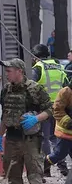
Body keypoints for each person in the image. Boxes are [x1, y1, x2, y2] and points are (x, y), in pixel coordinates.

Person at [0, 58, 53, 184]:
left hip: (30, 140)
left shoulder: (34, 89)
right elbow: (5, 115)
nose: (7, 74)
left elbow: (50, 109)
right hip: (12, 139)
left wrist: (36, 119)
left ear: (19, 71)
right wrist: (0, 135)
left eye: (9, 71)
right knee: (13, 175)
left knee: (34, 174)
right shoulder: (6, 91)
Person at [31, 43, 67, 175]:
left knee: (45, 138)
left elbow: (31, 88)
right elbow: (66, 85)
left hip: (44, 109)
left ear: (36, 57)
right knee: (58, 137)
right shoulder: (59, 66)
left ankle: (47, 168)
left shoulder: (37, 68)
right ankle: (62, 165)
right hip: (60, 107)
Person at [45, 82, 72, 176]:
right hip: (66, 133)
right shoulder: (66, 92)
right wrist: (68, 122)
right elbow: (57, 110)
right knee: (58, 154)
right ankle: (42, 168)